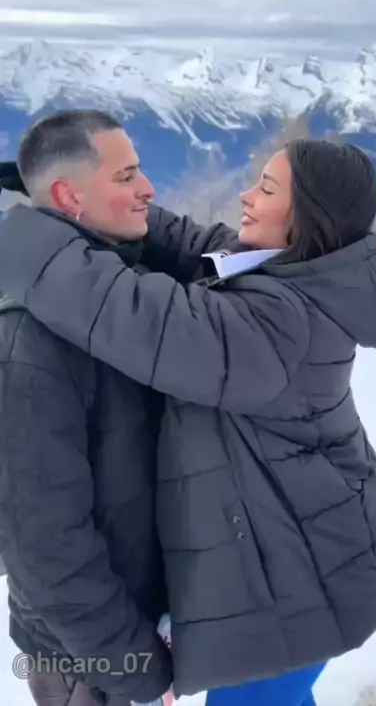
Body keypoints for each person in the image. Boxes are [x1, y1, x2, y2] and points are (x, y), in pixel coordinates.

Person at [0, 132, 376, 706]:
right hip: (319, 553)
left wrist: (25, 229)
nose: (246, 195)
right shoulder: (294, 267)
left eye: (267, 188)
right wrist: (76, 197)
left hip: (301, 591)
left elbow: (126, 308)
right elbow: (192, 243)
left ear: (306, 216)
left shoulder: (275, 324)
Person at [0, 110, 240, 706]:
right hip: (86, 660)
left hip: (141, 627)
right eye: (127, 176)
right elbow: (46, 547)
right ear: (69, 197)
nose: (149, 190)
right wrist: (136, 667)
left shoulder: (126, 292)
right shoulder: (28, 340)